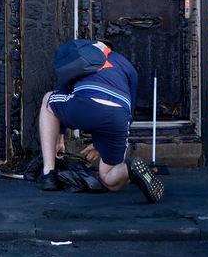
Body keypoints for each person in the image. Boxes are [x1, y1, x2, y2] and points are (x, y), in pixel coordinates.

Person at [38, 40, 164, 202]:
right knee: (110, 180)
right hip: (119, 115)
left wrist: (60, 136)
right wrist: (100, 144)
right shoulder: (127, 66)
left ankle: (49, 173)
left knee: (48, 100)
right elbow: (129, 109)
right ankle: (129, 168)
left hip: (87, 103)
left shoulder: (81, 55)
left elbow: (62, 89)